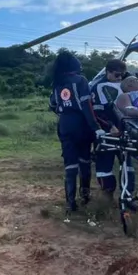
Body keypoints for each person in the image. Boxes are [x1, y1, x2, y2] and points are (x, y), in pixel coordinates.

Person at [48, 50, 100, 213]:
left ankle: (70, 202)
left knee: (70, 164)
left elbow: (54, 105)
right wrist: (96, 127)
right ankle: (85, 196)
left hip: (64, 124)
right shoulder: (80, 80)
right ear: (74, 64)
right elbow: (87, 106)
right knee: (84, 161)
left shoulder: (57, 82)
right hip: (81, 125)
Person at [89, 58, 134, 202]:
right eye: (117, 75)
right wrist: (109, 126)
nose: (119, 78)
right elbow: (97, 112)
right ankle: (107, 197)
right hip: (107, 133)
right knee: (104, 167)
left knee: (128, 165)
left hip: (124, 131)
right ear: (108, 72)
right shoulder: (98, 87)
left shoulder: (124, 85)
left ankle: (127, 198)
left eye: (123, 75)